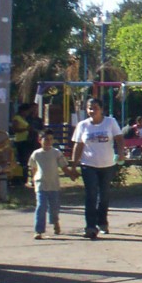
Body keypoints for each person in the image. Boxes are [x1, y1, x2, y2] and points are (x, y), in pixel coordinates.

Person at [71, 97, 124, 239]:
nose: (92, 111)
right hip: (88, 165)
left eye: (95, 108)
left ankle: (102, 221)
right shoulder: (83, 125)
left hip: (107, 164)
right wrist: (73, 166)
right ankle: (90, 226)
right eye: (89, 108)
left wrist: (121, 153)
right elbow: (78, 145)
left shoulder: (110, 122)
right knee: (91, 195)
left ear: (101, 109)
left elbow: (119, 139)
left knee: (104, 195)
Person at [28, 128, 78, 239]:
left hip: (53, 185)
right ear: (39, 140)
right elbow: (33, 168)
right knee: (41, 206)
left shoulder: (56, 153)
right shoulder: (36, 154)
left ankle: (55, 222)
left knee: (54, 207)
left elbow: (63, 167)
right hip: (41, 184)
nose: (48, 142)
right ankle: (38, 230)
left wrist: (71, 174)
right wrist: (32, 180)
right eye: (46, 139)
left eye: (51, 139)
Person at [10, 103, 38, 186]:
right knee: (21, 161)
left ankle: (24, 178)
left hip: (27, 141)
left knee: (26, 161)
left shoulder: (24, 119)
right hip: (20, 141)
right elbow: (15, 129)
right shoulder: (17, 118)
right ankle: (19, 179)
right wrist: (26, 129)